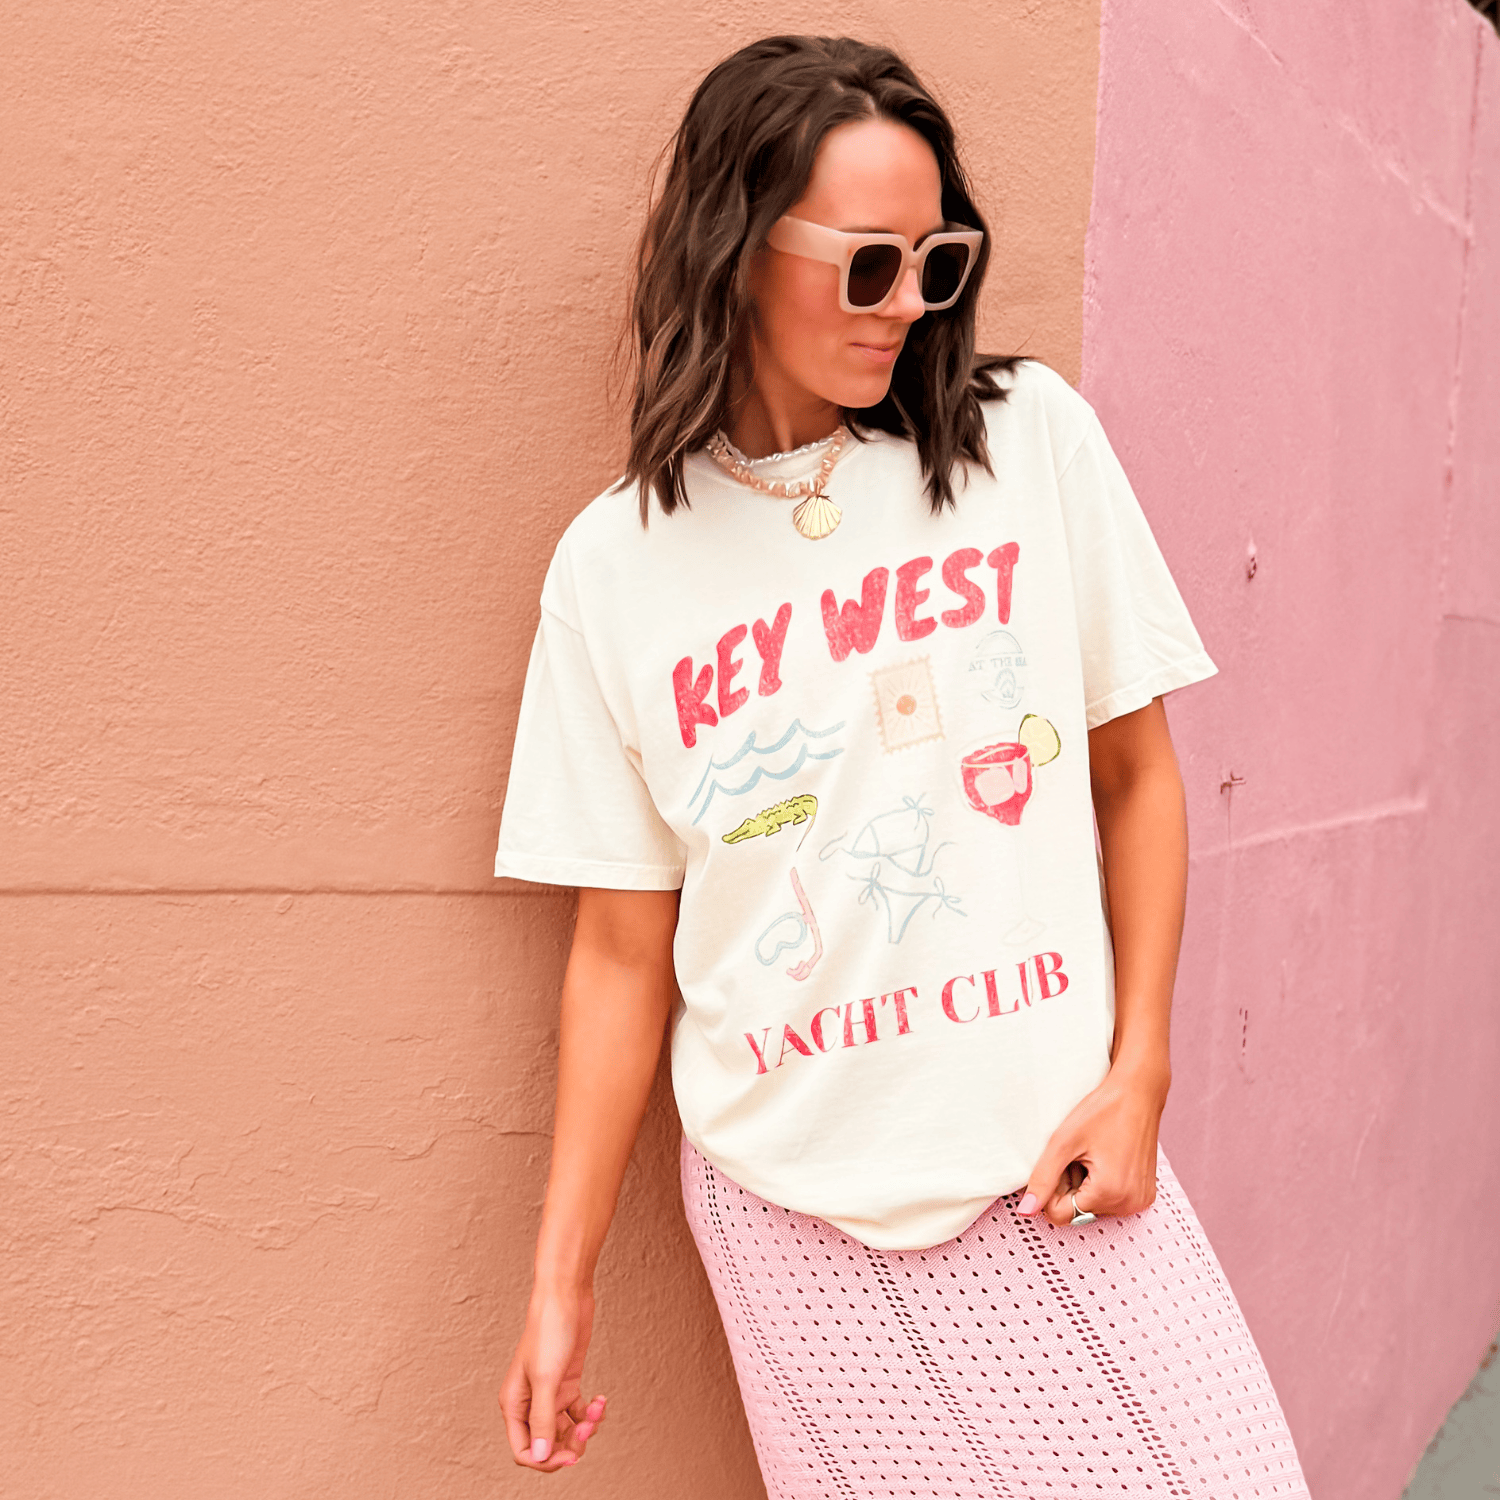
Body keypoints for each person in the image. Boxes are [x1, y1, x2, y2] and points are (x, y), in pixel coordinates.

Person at [494, 34, 1312, 1498]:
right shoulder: (614, 569)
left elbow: (1135, 777)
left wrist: (1143, 1072)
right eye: (866, 265)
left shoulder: (1025, 443)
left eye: (937, 262)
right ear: (738, 247)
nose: (908, 306)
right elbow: (620, 951)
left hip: (1051, 1160)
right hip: (793, 1208)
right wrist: (561, 1281)